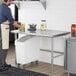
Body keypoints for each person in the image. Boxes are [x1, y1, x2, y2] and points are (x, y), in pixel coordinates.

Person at [0, 0, 21, 71]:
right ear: (8, 0)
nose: (11, 2)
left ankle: (3, 63)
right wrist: (22, 27)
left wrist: (16, 22)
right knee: (4, 47)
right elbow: (12, 22)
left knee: (2, 46)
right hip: (3, 28)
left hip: (2, 27)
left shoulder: (1, 6)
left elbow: (11, 19)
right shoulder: (6, 8)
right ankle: (1, 66)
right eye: (11, 1)